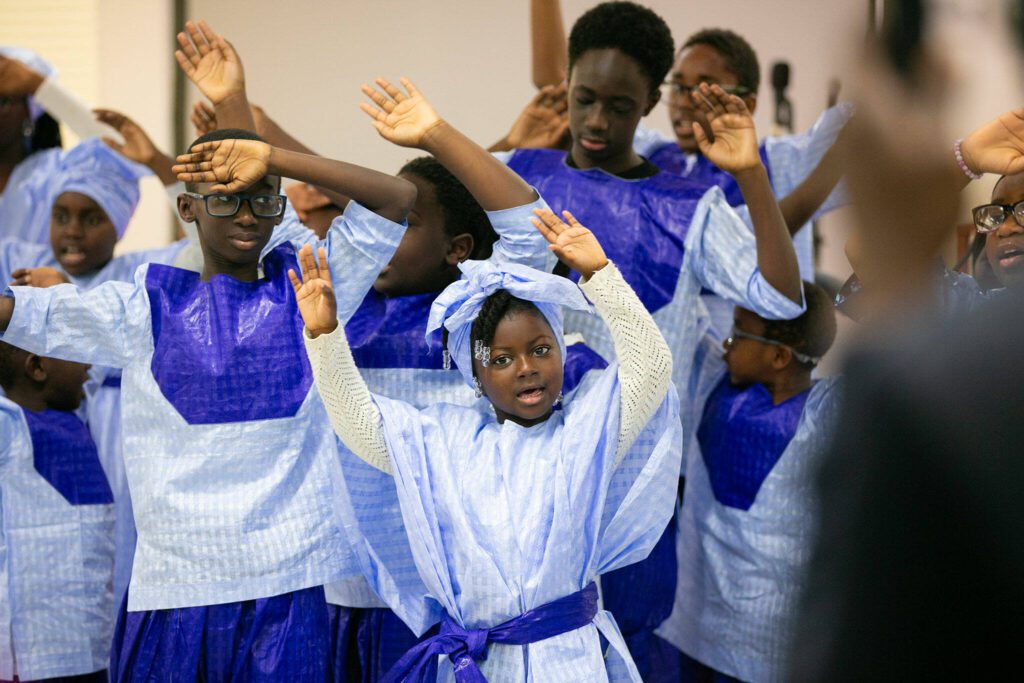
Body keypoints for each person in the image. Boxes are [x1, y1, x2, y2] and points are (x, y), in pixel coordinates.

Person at [0, 74, 418, 677]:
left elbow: (395, 199)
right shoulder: (143, 307)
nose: (246, 214)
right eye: (224, 196)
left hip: (292, 587)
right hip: (177, 591)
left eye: (263, 196)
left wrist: (275, 155)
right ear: (187, 208)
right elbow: (31, 312)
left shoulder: (311, 283)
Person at [293, 199, 681, 680]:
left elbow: (652, 367)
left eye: (541, 350)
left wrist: (600, 274)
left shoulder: (586, 431)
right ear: (475, 374)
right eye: (501, 359)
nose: (526, 368)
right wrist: (325, 335)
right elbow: (360, 424)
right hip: (475, 666)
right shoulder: (442, 439)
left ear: (561, 351)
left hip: (567, 661)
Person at [656, 283, 839, 683]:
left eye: (740, 333)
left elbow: (902, 322)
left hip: (769, 653)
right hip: (691, 632)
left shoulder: (825, 415)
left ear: (779, 355)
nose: (727, 343)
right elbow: (681, 309)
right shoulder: (711, 378)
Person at [0, 341, 114, 683]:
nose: (89, 365)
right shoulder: (9, 425)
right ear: (37, 368)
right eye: (76, 352)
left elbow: (101, 355)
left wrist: (62, 287)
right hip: (35, 656)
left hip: (91, 645)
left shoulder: (77, 413)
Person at [0, 112, 191, 290]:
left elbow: (201, 251)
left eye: (91, 220)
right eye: (61, 217)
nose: (72, 231)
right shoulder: (14, 260)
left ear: (119, 226)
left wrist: (157, 161)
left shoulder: (137, 276)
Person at [0, 46, 123, 244]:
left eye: (3, 100)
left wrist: (38, 85)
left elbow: (124, 152)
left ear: (29, 113)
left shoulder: (55, 173)